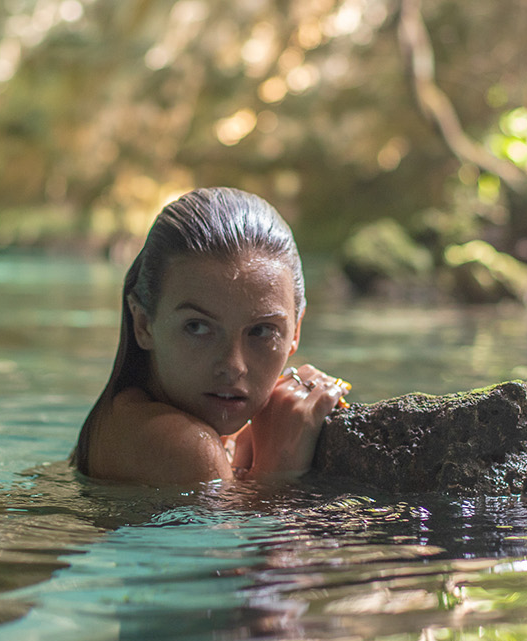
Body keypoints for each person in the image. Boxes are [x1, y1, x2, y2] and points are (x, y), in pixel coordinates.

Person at [73, 187, 349, 484]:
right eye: (197, 327)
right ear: (143, 324)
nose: (233, 365)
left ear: (295, 331)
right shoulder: (187, 448)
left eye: (262, 331)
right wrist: (280, 470)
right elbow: (249, 532)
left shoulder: (123, 417)